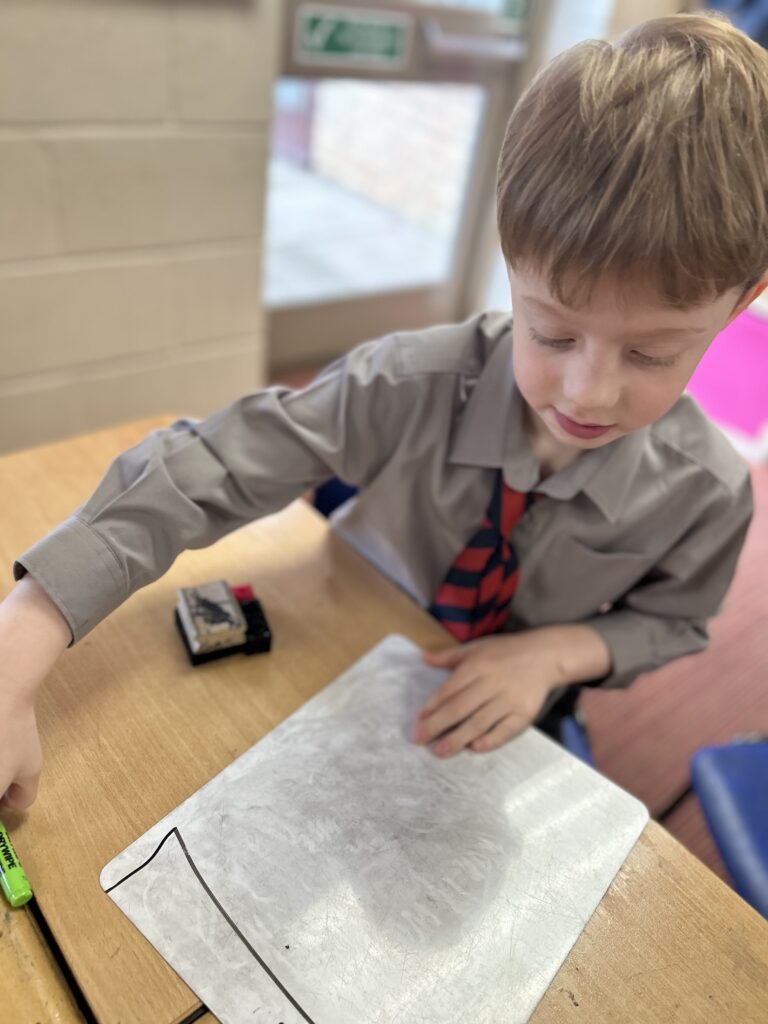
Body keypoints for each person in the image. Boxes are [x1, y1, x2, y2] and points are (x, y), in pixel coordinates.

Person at [1, 13, 766, 811]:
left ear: (743, 302)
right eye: (552, 332)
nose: (587, 392)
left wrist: (557, 653)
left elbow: (676, 622)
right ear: (510, 265)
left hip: (512, 696)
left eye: (649, 354)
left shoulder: (709, 491)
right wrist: (24, 630)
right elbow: (212, 463)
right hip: (339, 630)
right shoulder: (409, 380)